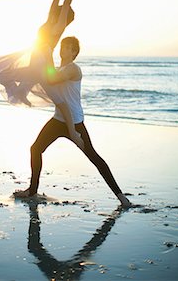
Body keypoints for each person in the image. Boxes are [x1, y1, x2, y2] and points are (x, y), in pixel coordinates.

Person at [14, 36, 132, 208]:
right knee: (36, 149)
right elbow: (48, 76)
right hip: (58, 119)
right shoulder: (60, 68)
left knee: (94, 157)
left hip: (75, 122)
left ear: (74, 52)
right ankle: (32, 191)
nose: (63, 49)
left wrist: (47, 55)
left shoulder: (73, 69)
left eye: (68, 47)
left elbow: (52, 78)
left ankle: (122, 198)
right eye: (62, 46)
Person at [0, 0, 85, 149]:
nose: (60, 10)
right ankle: (22, 93)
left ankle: (73, 132)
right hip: (35, 58)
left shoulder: (59, 27)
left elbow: (66, 4)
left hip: (42, 63)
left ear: (66, 18)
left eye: (64, 12)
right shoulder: (49, 21)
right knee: (2, 74)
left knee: (61, 103)